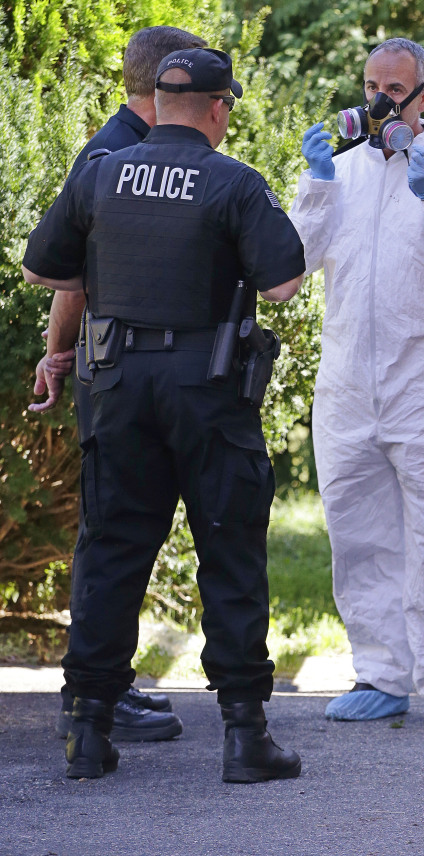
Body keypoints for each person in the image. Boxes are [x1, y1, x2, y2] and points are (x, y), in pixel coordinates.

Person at [22, 47, 306, 783]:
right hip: (206, 391)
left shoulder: (100, 171)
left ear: (156, 101)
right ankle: (245, 737)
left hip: (115, 385)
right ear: (219, 107)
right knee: (229, 551)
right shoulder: (234, 181)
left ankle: (87, 729)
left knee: (112, 551)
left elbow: (44, 269)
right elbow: (283, 287)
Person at [289, 37, 424, 730]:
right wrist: (317, 184)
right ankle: (380, 672)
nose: (380, 100)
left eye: (395, 89)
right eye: (371, 85)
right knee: (358, 533)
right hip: (348, 378)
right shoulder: (344, 170)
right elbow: (291, 265)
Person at [30, 26, 207, 745]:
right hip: (119, 369)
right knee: (114, 533)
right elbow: (69, 273)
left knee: (120, 531)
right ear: (170, 83)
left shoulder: (118, 146)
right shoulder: (117, 155)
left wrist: (56, 354)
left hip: (117, 369)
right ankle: (96, 692)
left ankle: (105, 687)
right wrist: (58, 352)